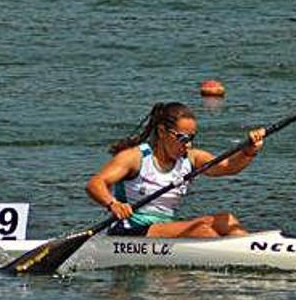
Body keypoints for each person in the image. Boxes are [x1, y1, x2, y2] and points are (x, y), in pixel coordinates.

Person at [86, 102, 265, 238]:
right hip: (128, 231)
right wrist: (113, 204)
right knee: (200, 230)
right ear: (162, 132)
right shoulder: (135, 157)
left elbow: (228, 167)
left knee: (227, 220)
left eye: (192, 138)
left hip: (164, 230)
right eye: (182, 138)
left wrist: (249, 151)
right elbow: (95, 183)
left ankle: (255, 255)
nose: (188, 144)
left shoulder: (191, 158)